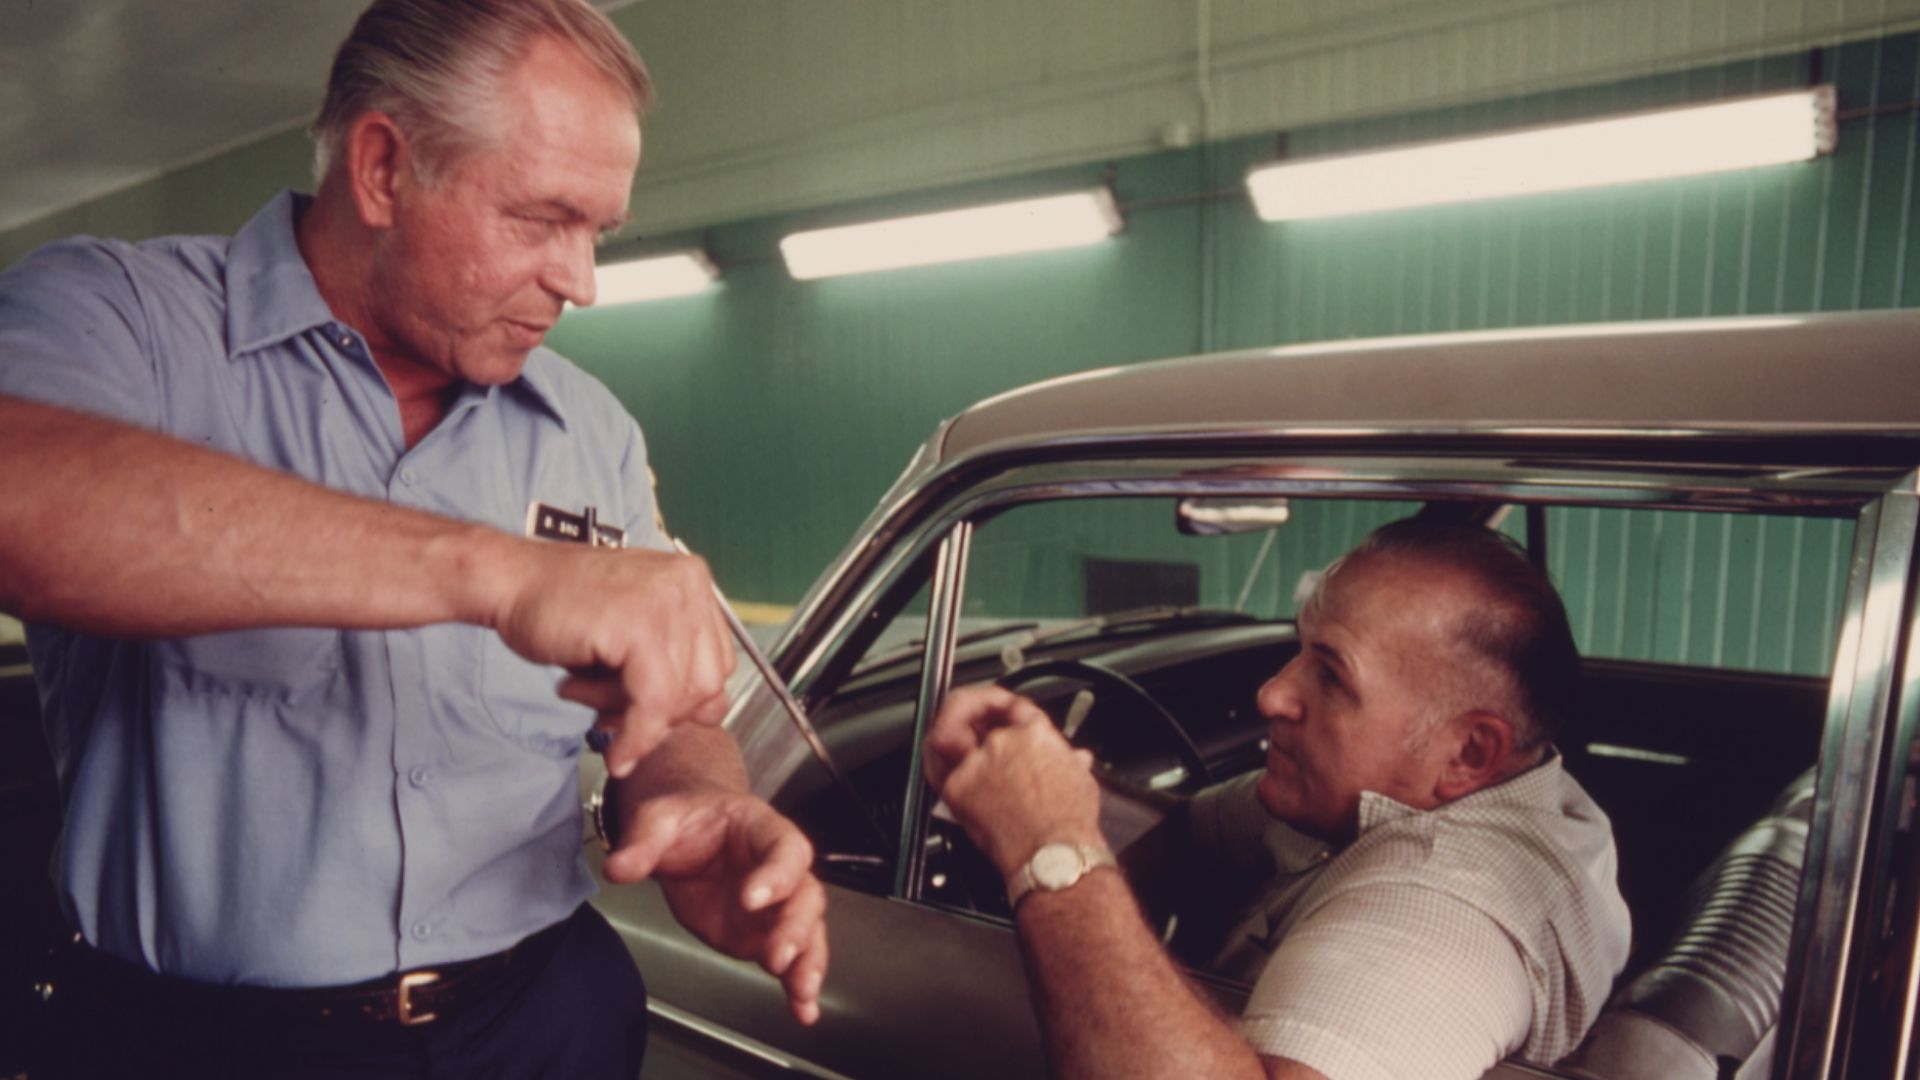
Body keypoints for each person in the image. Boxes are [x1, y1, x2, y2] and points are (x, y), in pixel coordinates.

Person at [0, 1, 825, 1076]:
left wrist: (694, 797)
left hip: (540, 1019)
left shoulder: (589, 427)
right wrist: (492, 571)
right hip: (199, 1043)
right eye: (541, 219)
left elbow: (661, 719)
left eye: (598, 233)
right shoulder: (125, 319)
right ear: (384, 169)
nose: (581, 281)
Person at [923, 518, 1631, 1080]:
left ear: (1468, 753)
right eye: (1301, 649)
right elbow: (1192, 835)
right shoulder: (1393, 792)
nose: (1273, 694)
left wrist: (1050, 851)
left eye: (1332, 676)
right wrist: (1025, 778)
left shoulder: (1452, 902)